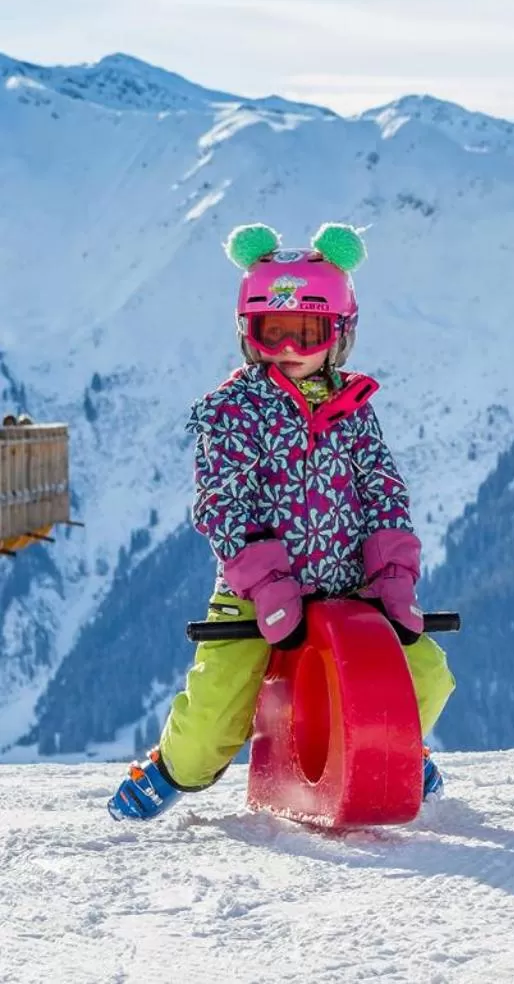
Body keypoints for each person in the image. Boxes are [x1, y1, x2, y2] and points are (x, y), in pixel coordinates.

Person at [107, 223, 454, 820]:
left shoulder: (354, 409)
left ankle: (396, 742)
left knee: (423, 674)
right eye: (274, 333)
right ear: (249, 334)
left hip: (351, 585)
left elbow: (382, 490)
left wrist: (393, 575)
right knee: (218, 706)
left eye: (306, 331)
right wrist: (267, 584)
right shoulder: (234, 412)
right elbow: (221, 504)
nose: (290, 348)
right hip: (255, 592)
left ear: (338, 334)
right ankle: (170, 766)